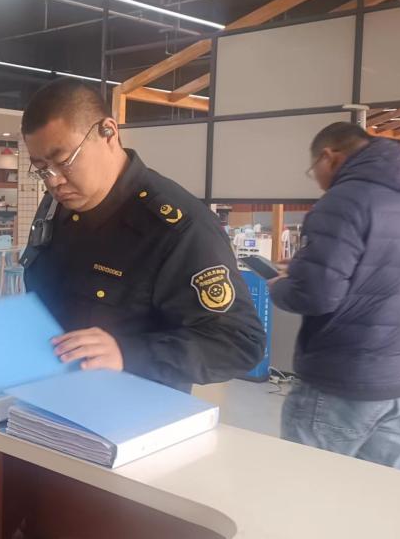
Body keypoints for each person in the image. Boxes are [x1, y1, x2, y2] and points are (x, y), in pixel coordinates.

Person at [20, 78, 264, 392]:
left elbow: (239, 342)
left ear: (108, 132)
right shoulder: (56, 206)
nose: (53, 181)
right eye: (42, 168)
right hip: (49, 395)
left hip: (134, 408)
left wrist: (127, 353)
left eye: (64, 161)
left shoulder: (175, 227)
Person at [270, 122, 400, 474]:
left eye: (313, 170)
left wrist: (279, 286)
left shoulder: (344, 200)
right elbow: (386, 274)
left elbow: (315, 296)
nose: (317, 180)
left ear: (329, 157)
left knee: (307, 487)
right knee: (387, 493)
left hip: (345, 379)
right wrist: (308, 266)